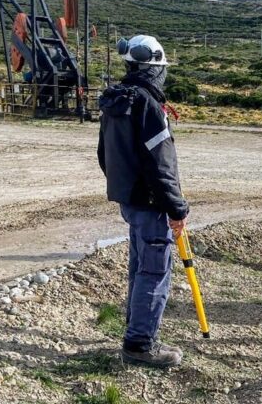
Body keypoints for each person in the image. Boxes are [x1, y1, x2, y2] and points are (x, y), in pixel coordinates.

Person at [97, 34, 188, 368]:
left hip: (130, 200)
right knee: (153, 271)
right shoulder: (148, 104)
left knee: (139, 267)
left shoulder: (117, 101)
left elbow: (104, 155)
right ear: (154, 68)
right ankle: (139, 345)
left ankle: (136, 331)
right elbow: (161, 164)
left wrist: (124, 188)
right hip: (150, 203)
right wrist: (176, 206)